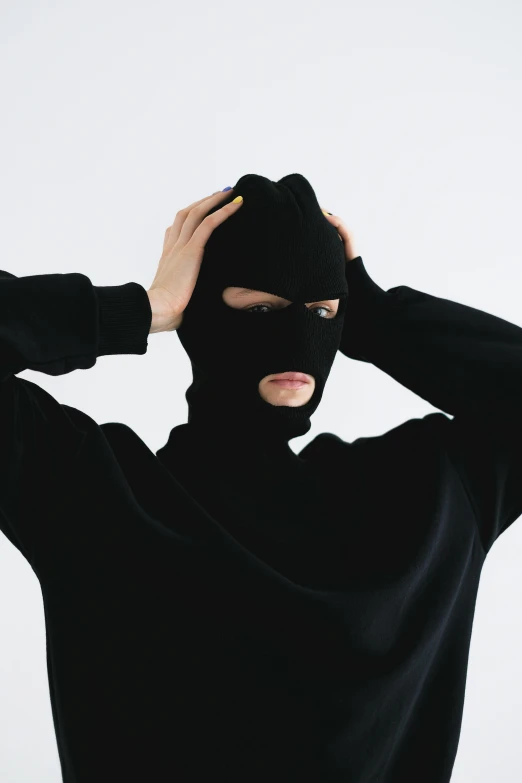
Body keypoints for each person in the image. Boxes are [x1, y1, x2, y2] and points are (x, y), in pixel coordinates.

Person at [1, 172, 521, 783]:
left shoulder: (421, 494)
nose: (300, 335)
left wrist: (372, 311)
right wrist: (141, 306)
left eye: (324, 311)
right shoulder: (94, 491)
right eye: (263, 308)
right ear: (196, 311)